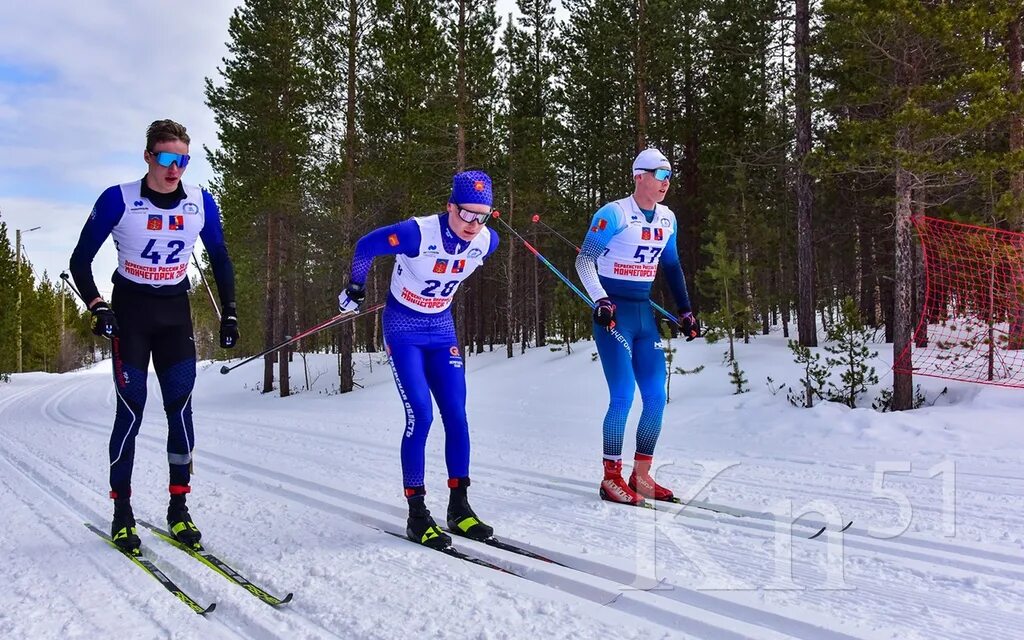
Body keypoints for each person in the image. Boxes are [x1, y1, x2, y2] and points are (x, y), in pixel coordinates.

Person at [69, 119, 238, 553]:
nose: (174, 168)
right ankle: (122, 512)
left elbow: (220, 258)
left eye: (182, 159)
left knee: (181, 410)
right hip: (132, 313)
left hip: (174, 314)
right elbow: (79, 260)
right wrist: (97, 305)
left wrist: (230, 313)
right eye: (166, 157)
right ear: (148, 156)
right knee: (132, 411)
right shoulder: (118, 199)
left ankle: (178, 510)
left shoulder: (200, 203)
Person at [337, 170, 500, 549]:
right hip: (403, 328)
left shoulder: (487, 242)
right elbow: (366, 246)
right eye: (466, 214)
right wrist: (355, 288)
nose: (473, 224)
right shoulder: (418, 233)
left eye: (483, 215)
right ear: (449, 207)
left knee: (457, 416)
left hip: (442, 330)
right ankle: (417, 513)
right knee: (421, 416)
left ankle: (459, 508)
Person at [574, 148, 700, 506]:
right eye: (660, 175)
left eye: (669, 176)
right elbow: (585, 260)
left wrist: (686, 311)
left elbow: (672, 267)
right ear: (639, 176)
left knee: (657, 397)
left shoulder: (667, 219)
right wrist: (600, 299)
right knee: (623, 396)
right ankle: (610, 477)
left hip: (645, 314)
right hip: (615, 314)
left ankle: (641, 475)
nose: (666, 183)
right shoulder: (614, 213)